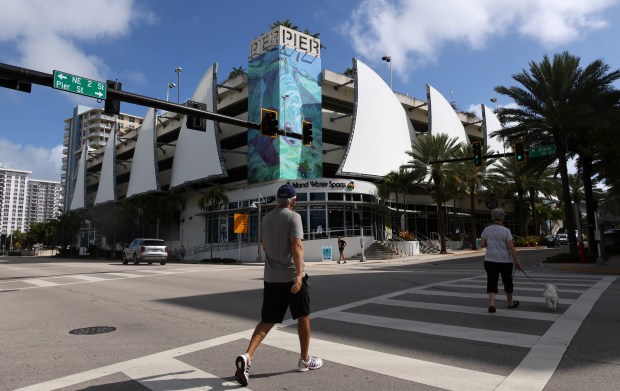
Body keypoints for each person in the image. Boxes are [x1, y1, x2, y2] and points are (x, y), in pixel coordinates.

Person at [234, 184, 323, 387]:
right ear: (293, 201)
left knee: (267, 320)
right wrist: (299, 275)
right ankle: (304, 360)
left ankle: (248, 356)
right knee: (303, 316)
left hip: (271, 278)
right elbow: (296, 245)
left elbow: (265, 246)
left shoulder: (265, 218)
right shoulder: (294, 217)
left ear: (277, 200)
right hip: (292, 277)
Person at [479, 208, 522, 313]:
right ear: (503, 218)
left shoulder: (486, 230)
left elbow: (481, 245)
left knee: (492, 281)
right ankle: (510, 303)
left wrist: (490, 243)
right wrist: (517, 261)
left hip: (490, 260)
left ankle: (492, 303)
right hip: (505, 261)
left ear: (492, 217)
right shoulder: (506, 231)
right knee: (507, 281)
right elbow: (511, 247)